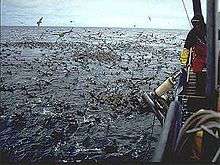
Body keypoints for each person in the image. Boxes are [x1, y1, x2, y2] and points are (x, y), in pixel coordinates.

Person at [180, 14, 207, 95]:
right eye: (194, 24)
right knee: (199, 74)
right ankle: (199, 93)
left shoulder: (209, 30)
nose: (196, 26)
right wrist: (184, 62)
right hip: (199, 57)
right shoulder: (192, 33)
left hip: (212, 55)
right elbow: (186, 48)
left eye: (198, 24)